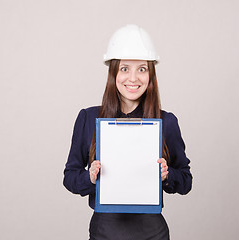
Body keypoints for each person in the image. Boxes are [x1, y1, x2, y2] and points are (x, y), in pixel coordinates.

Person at [63, 24, 192, 240]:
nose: (133, 78)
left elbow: (186, 181)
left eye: (142, 69)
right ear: (113, 73)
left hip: (152, 232)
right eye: (124, 68)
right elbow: (70, 177)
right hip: (104, 231)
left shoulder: (166, 121)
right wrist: (90, 177)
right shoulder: (88, 118)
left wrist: (167, 174)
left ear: (151, 74)